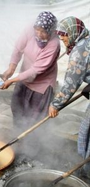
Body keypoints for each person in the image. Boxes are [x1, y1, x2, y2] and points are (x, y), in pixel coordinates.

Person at [1, 11, 60, 127]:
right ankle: (18, 138)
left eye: (43, 31)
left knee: (34, 118)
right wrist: (11, 68)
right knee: (17, 108)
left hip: (41, 85)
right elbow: (18, 48)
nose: (38, 33)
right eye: (37, 30)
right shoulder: (30, 29)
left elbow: (35, 70)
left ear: (50, 31)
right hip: (24, 78)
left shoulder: (54, 44)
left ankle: (32, 143)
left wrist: (12, 80)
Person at [49, 16, 90, 178]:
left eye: (65, 34)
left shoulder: (80, 51)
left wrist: (56, 104)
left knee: (87, 133)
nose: (61, 38)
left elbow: (70, 84)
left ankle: (86, 173)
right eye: (60, 34)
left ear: (74, 32)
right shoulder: (86, 40)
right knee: (86, 129)